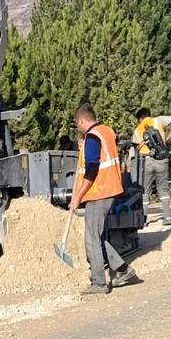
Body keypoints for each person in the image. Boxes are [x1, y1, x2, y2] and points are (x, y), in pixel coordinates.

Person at [65, 103, 140, 296]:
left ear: (82, 121)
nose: (78, 128)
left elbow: (91, 170)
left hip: (99, 193)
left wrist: (77, 197)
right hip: (110, 190)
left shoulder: (92, 137)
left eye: (77, 124)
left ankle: (99, 283)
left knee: (91, 239)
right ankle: (123, 270)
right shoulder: (105, 132)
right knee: (97, 236)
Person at [133, 107, 171, 226]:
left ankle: (143, 220)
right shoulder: (157, 121)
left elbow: (136, 149)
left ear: (140, 118)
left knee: (145, 191)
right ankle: (167, 218)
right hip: (162, 160)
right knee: (163, 190)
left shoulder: (137, 130)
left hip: (147, 161)